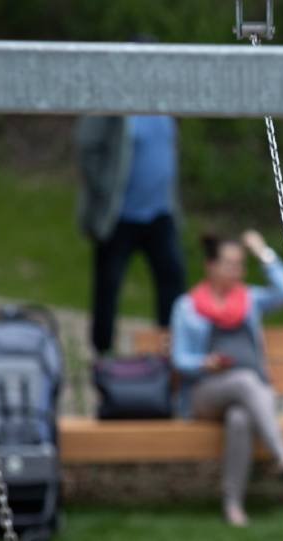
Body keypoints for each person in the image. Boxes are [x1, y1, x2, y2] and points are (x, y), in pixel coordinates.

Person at [170, 231, 283, 527]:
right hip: (204, 392)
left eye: (240, 265)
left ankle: (233, 504)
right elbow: (179, 359)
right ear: (210, 266)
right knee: (246, 381)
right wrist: (206, 362)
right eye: (229, 264)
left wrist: (263, 251)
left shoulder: (249, 299)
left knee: (240, 419)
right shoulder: (187, 307)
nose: (236, 271)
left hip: (245, 397)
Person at [75, 96, 185, 355]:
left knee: (173, 279)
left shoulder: (166, 105)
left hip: (160, 214)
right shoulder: (113, 106)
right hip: (121, 216)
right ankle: (102, 352)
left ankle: (170, 349)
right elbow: (85, 145)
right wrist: (104, 188)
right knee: (108, 285)